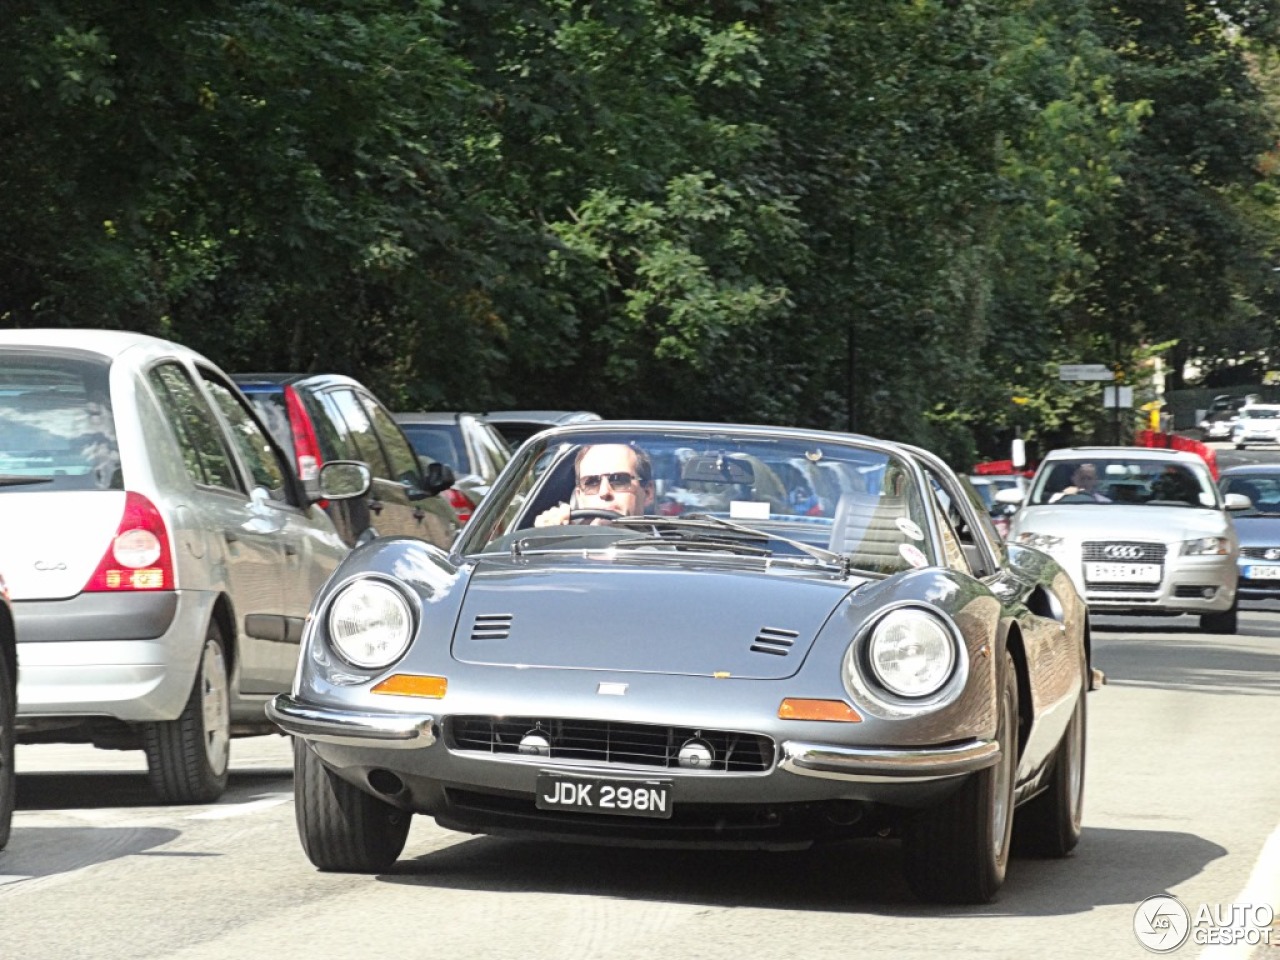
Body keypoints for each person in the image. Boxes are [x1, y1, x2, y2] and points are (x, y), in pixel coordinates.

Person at [535, 443, 654, 526]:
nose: (604, 492)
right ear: (579, 497)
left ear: (648, 493)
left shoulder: (672, 547)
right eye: (591, 483)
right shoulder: (565, 547)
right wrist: (548, 539)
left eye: (619, 480)